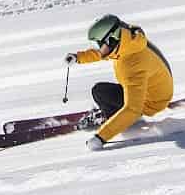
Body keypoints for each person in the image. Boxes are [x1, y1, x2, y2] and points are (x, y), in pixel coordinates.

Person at [64, 14, 175, 149]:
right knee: (101, 91)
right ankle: (113, 115)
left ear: (111, 40)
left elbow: (133, 109)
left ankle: (115, 120)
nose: (99, 49)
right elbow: (102, 53)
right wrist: (78, 57)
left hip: (149, 102)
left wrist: (100, 137)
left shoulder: (133, 64)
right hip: (154, 90)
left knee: (100, 92)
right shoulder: (126, 41)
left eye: (99, 44)